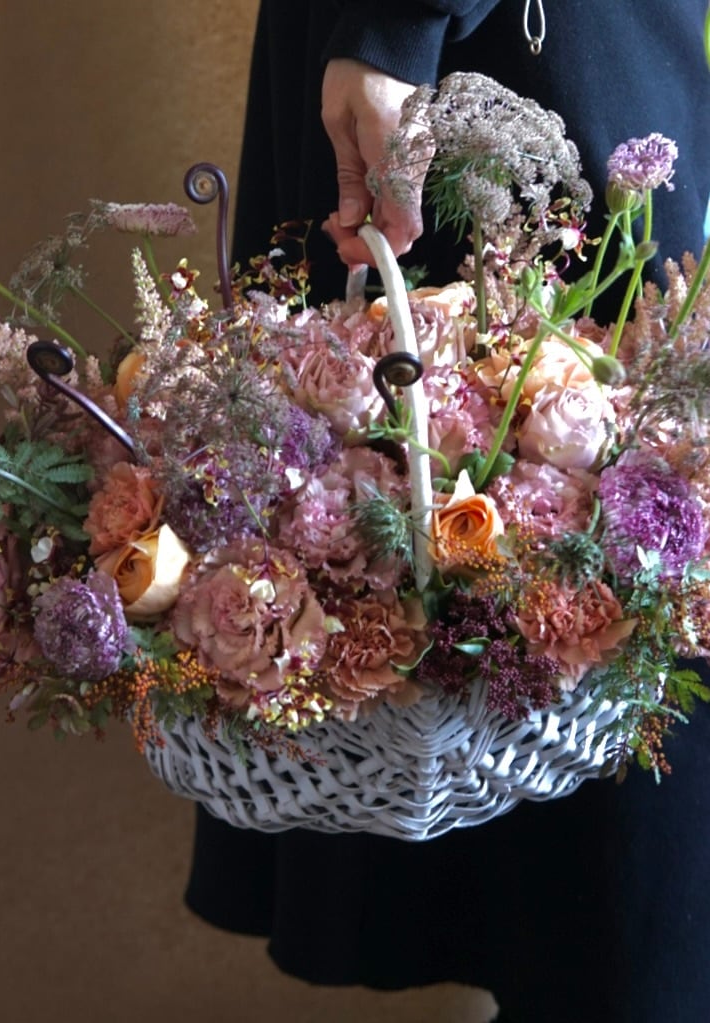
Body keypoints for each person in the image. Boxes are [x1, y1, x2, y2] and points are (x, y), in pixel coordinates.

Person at [184, 3, 710, 1021]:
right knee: (371, 472)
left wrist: (394, 18)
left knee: (602, 532)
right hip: (421, 49)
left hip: (513, 56)